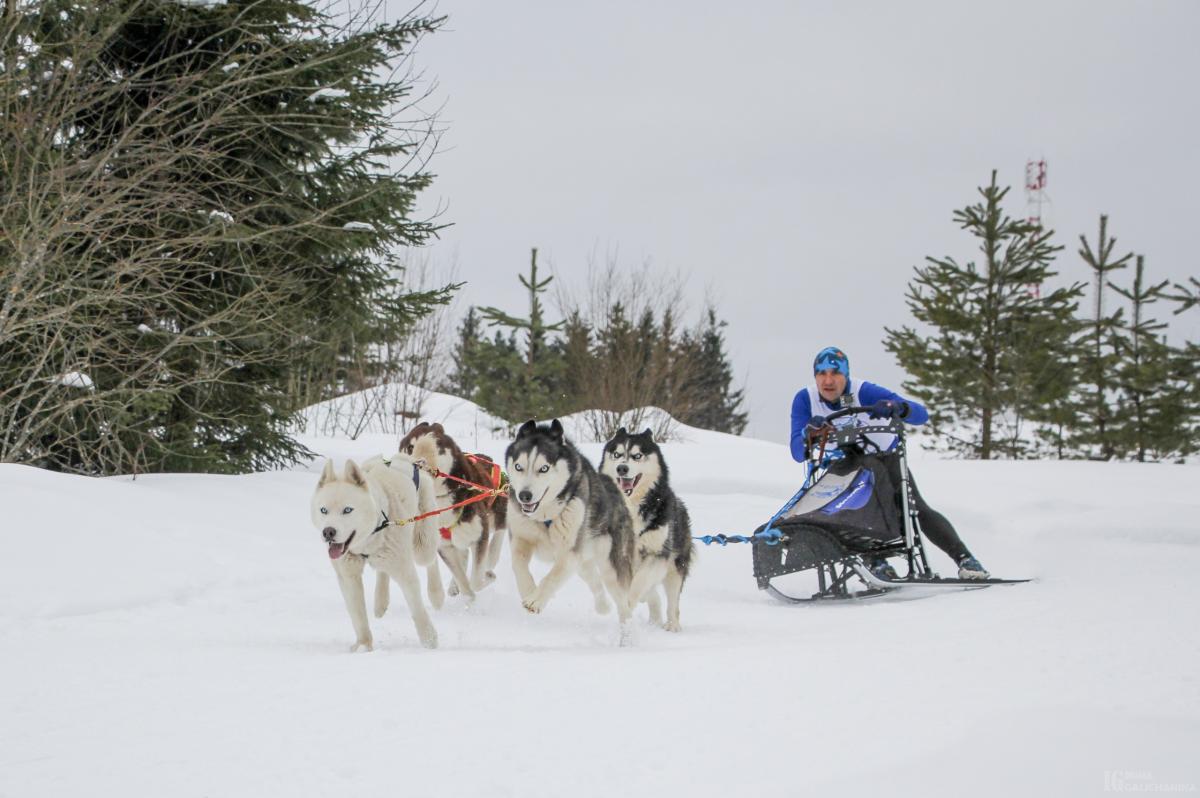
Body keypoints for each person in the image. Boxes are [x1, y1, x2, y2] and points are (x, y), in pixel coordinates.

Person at [789, 346, 989, 580]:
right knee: (845, 513)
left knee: (915, 509)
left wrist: (898, 407)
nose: (828, 380)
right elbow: (797, 451)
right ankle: (876, 562)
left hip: (886, 461)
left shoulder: (863, 391)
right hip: (843, 467)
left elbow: (920, 414)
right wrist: (808, 433)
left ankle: (965, 558)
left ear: (846, 376)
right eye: (821, 374)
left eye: (835, 373)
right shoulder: (806, 399)